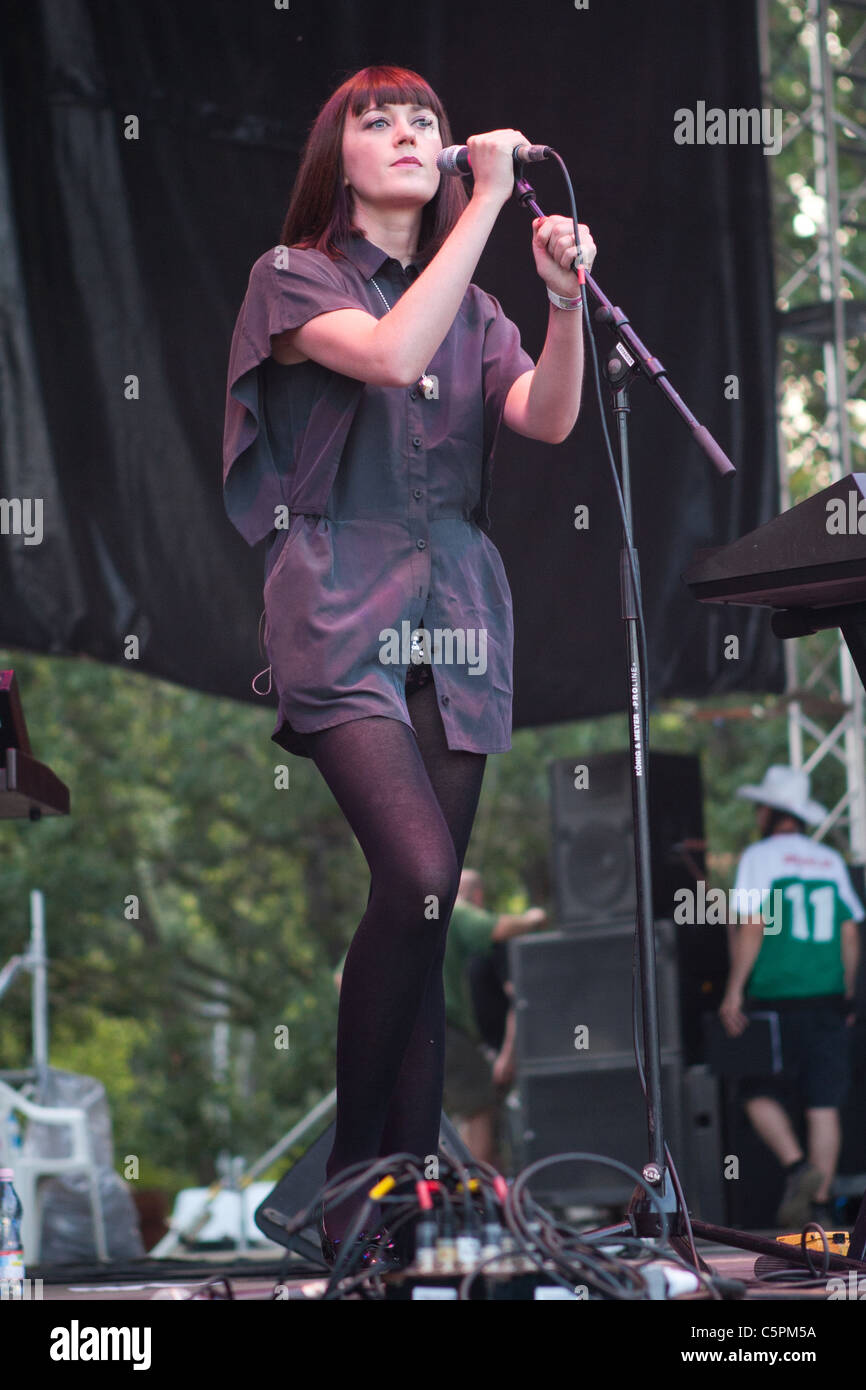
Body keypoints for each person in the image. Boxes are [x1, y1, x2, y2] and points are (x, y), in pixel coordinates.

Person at [222, 64, 595, 1263]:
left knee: (430, 913)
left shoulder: (473, 310)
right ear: (338, 158)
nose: (404, 132)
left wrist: (561, 304)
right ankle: (347, 1183)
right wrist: (483, 205)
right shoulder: (292, 278)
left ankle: (403, 1210)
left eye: (422, 119)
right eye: (374, 120)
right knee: (421, 864)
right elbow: (384, 356)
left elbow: (542, 415)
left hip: (457, 604)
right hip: (336, 597)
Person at [719, 766, 863, 1229]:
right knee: (823, 1104)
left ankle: (796, 1166)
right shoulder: (828, 860)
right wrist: (846, 993)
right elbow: (850, 933)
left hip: (774, 996)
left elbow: (753, 925)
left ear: (768, 811)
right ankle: (820, 1211)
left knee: (752, 1089)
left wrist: (734, 990)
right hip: (825, 998)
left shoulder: (759, 857)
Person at [442, 867, 546, 1166]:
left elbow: (518, 1001)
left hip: (498, 1055)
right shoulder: (459, 929)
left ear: (476, 896)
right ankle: (470, 1190)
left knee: (484, 1116)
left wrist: (507, 1054)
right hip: (464, 1046)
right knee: (476, 1114)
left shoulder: (489, 946)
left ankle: (478, 1190)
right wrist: (532, 918)